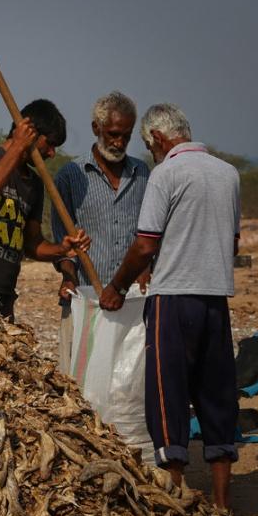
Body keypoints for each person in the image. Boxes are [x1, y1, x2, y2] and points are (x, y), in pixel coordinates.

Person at [98, 103, 241, 509]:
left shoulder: (165, 174)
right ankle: (221, 503)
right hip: (216, 300)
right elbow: (230, 244)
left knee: (168, 396)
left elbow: (145, 243)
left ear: (158, 140)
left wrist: (117, 286)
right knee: (217, 396)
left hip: (173, 301)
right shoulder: (227, 174)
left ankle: (176, 492)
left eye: (149, 145)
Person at [0, 99, 90, 321]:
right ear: (30, 134)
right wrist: (18, 145)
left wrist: (62, 249)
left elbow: (32, 245)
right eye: (51, 143)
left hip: (4, 292)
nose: (52, 153)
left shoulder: (34, 184)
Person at [52, 91, 150, 373]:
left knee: (129, 379)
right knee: (80, 378)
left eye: (126, 136)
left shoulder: (142, 173)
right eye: (113, 134)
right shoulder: (71, 175)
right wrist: (68, 278)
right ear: (97, 128)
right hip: (86, 298)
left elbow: (152, 233)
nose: (119, 143)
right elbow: (64, 243)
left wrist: (146, 267)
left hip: (132, 298)